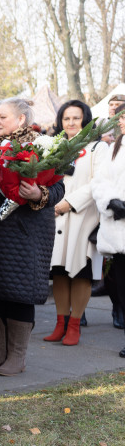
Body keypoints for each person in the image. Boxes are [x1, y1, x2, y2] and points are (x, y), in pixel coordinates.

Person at [0, 98, 64, 376]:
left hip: (25, 233)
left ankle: (17, 357)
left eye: (2, 117)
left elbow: (58, 188)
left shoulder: (40, 145)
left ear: (21, 119)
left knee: (18, 292)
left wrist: (39, 194)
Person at [44, 100, 110, 346]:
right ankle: (60, 323)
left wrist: (69, 203)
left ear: (85, 119)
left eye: (76, 118)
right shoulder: (55, 147)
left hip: (83, 217)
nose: (71, 123)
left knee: (80, 271)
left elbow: (99, 182)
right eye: (66, 118)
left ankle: (75, 325)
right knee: (59, 271)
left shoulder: (97, 148)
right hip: (54, 217)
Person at [91, 109, 125, 358]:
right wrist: (111, 201)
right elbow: (99, 180)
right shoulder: (115, 149)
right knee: (123, 287)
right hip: (118, 230)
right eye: (120, 118)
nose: (121, 122)